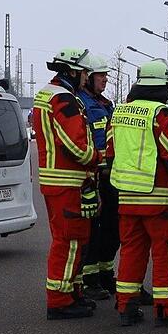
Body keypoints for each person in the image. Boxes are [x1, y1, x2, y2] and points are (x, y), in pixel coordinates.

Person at [107, 59, 168, 327]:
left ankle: (126, 307)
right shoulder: (162, 115)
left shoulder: (119, 113)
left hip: (126, 198)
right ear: (164, 87)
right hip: (159, 199)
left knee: (131, 252)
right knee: (166, 253)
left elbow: (109, 153)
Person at [33, 48, 101, 320]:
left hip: (57, 180)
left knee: (73, 240)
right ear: (72, 71)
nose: (86, 77)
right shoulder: (64, 99)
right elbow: (77, 146)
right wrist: (98, 158)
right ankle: (60, 301)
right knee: (70, 241)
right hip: (67, 181)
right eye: (84, 72)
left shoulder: (47, 94)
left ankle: (73, 292)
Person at [77, 55, 119, 301]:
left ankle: (105, 273)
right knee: (92, 230)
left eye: (106, 75)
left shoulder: (105, 104)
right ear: (88, 78)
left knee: (113, 228)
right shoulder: (79, 103)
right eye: (101, 75)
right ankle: (89, 279)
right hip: (92, 175)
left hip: (109, 175)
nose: (105, 79)